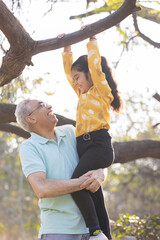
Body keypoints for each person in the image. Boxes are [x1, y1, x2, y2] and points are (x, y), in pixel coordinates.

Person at [59, 29, 123, 240]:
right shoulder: (81, 93)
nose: (76, 82)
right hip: (85, 147)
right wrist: (66, 48)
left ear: (89, 74)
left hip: (98, 145)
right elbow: (69, 74)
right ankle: (105, 235)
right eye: (75, 79)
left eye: (79, 77)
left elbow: (95, 67)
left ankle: (94, 231)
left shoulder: (100, 91)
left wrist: (92, 40)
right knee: (94, 193)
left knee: (76, 185)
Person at [15, 99, 107, 240]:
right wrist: (82, 182)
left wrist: (101, 173)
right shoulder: (30, 147)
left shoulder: (70, 131)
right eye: (41, 105)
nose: (49, 105)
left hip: (94, 230)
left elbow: (98, 156)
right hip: (59, 231)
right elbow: (42, 188)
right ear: (31, 118)